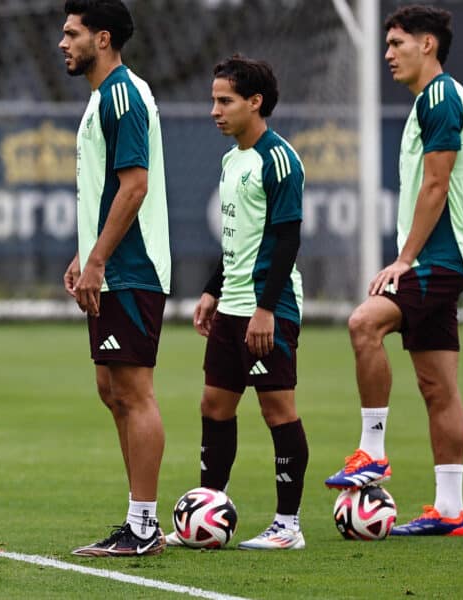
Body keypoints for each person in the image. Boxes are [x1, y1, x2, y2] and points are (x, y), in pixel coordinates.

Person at [325, 5, 463, 538]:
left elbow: (437, 185)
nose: (388, 54)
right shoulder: (427, 103)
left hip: (438, 260)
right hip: (441, 259)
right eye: (387, 44)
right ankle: (449, 510)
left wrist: (405, 259)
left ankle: (372, 452)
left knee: (363, 324)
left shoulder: (440, 98)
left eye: (397, 43)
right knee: (438, 386)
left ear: (427, 45)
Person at [165, 55, 309, 550]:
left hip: (269, 308)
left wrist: (265, 309)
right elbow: (237, 238)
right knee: (214, 404)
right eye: (213, 100)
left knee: (277, 410)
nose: (214, 110)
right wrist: (212, 288)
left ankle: (288, 526)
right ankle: (209, 511)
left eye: (224, 101)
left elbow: (286, 239)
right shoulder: (232, 159)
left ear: (255, 102)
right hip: (232, 307)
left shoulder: (280, 159)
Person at [59, 0, 171, 557]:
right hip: (113, 265)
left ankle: (145, 527)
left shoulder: (123, 95)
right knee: (112, 390)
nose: (63, 43)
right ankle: (138, 518)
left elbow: (134, 186)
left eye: (72, 33)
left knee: (133, 391)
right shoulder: (103, 99)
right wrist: (86, 255)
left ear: (102, 39)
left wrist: (100, 258)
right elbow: (108, 190)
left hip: (133, 268)